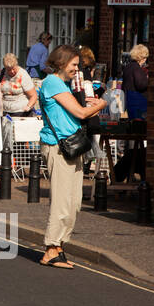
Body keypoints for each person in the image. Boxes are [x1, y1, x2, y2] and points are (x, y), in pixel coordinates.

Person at [38, 45, 106, 268]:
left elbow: (75, 113)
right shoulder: (52, 83)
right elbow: (80, 112)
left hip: (73, 146)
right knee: (61, 200)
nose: (77, 70)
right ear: (61, 62)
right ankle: (50, 248)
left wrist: (90, 103)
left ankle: (59, 245)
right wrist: (102, 105)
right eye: (74, 65)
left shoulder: (64, 84)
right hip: (59, 148)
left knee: (74, 200)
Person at [116, 43, 150, 181]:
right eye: (145, 57)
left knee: (132, 143)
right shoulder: (136, 68)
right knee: (137, 142)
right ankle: (134, 174)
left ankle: (127, 174)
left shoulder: (128, 67)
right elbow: (142, 85)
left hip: (130, 105)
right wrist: (148, 79)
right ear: (142, 57)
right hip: (138, 106)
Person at [0, 52, 38, 164]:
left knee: (19, 142)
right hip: (7, 112)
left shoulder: (23, 75)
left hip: (21, 112)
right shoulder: (3, 73)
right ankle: (9, 164)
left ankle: (20, 165)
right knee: (7, 140)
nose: (12, 72)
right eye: (9, 69)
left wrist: (28, 107)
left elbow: (33, 95)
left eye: (13, 68)